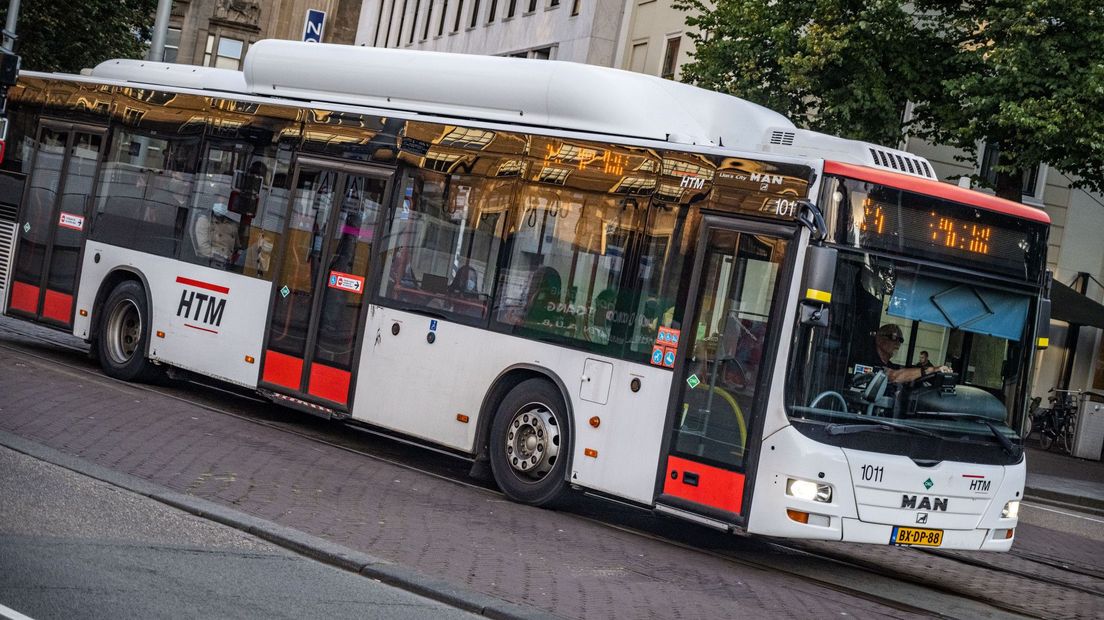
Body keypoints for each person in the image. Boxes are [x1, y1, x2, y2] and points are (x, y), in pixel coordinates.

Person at [860, 324, 951, 384]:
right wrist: (931, 370)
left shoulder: (890, 365)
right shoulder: (869, 361)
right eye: (894, 337)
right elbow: (894, 376)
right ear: (879, 339)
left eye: (900, 340)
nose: (898, 343)